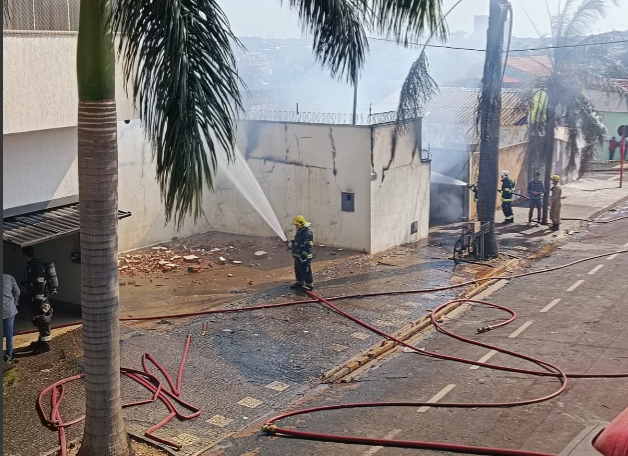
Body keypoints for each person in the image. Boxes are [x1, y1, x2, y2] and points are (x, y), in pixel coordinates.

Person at [22, 246, 53, 353]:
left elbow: (39, 284)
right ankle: (41, 342)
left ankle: (45, 345)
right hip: (38, 299)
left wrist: (39, 302)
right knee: (40, 321)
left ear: (25, 255)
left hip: (41, 301)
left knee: (43, 321)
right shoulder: (34, 265)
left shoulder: (35, 267)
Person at [288, 215, 314, 291]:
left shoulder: (307, 233)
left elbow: (308, 246)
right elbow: (297, 242)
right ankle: (299, 282)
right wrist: (291, 243)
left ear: (300, 224)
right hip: (298, 256)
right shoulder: (300, 232)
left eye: (296, 225)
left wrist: (304, 256)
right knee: (298, 269)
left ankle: (309, 284)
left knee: (305, 270)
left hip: (304, 257)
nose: (295, 226)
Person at [3, 274, 20, 363]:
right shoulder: (9, 278)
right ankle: (9, 356)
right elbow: (17, 292)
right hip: (9, 310)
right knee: (9, 335)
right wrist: (14, 302)